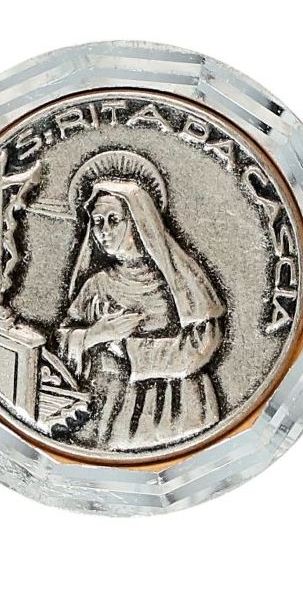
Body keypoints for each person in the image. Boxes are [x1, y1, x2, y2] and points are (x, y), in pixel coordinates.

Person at [56, 151, 225, 451]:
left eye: (113, 220)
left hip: (174, 409)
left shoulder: (177, 281)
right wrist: (95, 335)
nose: (103, 232)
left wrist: (128, 349)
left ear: (138, 220)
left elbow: (203, 342)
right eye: (97, 222)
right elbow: (60, 341)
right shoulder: (97, 284)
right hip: (111, 407)